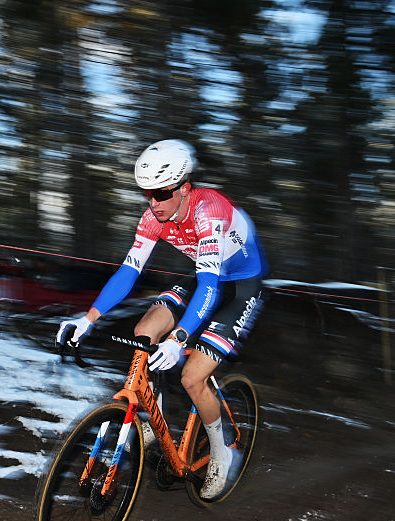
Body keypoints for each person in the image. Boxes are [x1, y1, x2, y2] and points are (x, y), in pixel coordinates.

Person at [56, 139, 267, 498]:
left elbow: (212, 289)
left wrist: (180, 338)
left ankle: (221, 451)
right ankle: (153, 417)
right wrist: (88, 318)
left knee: (191, 377)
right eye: (146, 195)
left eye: (160, 194)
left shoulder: (209, 212)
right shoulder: (154, 216)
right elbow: (128, 271)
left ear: (184, 189)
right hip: (205, 278)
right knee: (144, 332)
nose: (152, 203)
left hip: (238, 287)